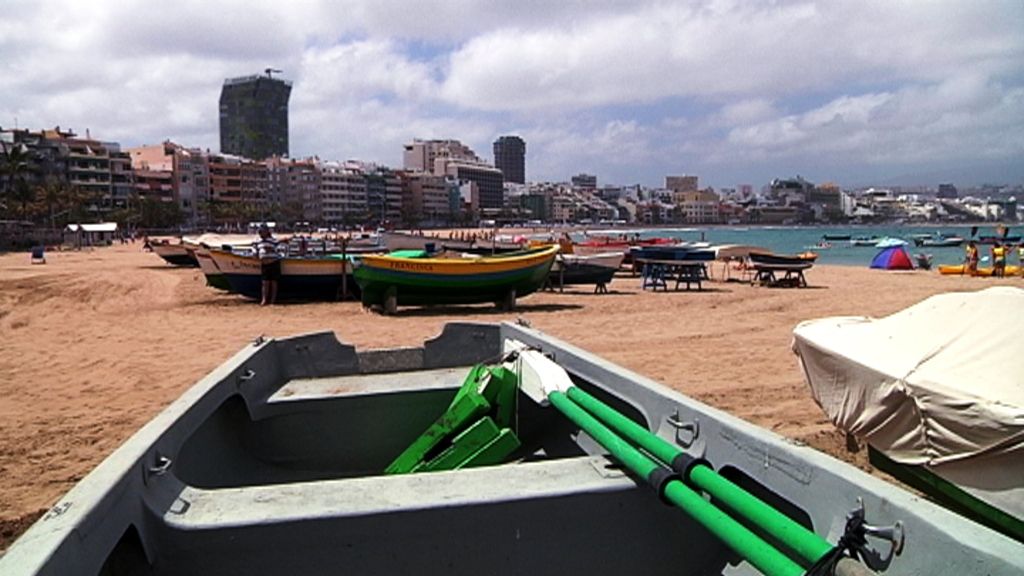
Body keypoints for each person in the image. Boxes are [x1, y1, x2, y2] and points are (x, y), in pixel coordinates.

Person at [255, 226, 281, 305]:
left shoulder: (273, 240)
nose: (260, 234)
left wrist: (270, 250)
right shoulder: (258, 241)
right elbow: (255, 249)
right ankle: (264, 299)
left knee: (273, 282)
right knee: (265, 283)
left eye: (261, 232)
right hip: (264, 263)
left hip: (273, 262)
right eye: (259, 232)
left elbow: (279, 249)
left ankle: (272, 300)